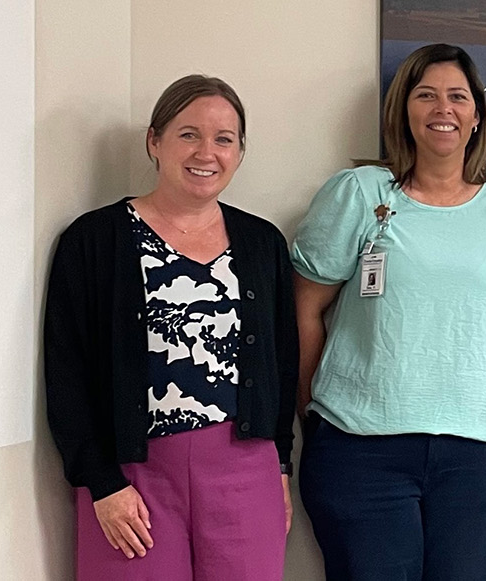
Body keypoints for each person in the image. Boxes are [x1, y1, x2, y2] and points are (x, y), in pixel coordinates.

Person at [292, 43, 486, 580]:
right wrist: (312, 406)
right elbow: (304, 308)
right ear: (403, 110)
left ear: (477, 114)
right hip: (361, 450)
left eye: (457, 96)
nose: (442, 109)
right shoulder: (359, 192)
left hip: (477, 455)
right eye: (425, 95)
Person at [44, 74, 297, 580]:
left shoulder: (261, 242)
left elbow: (282, 362)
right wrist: (100, 481)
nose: (207, 151)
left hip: (246, 471)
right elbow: (65, 370)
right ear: (154, 141)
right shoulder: (94, 240)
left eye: (224, 139)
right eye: (188, 134)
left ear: (240, 152)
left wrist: (281, 467)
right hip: (131, 476)